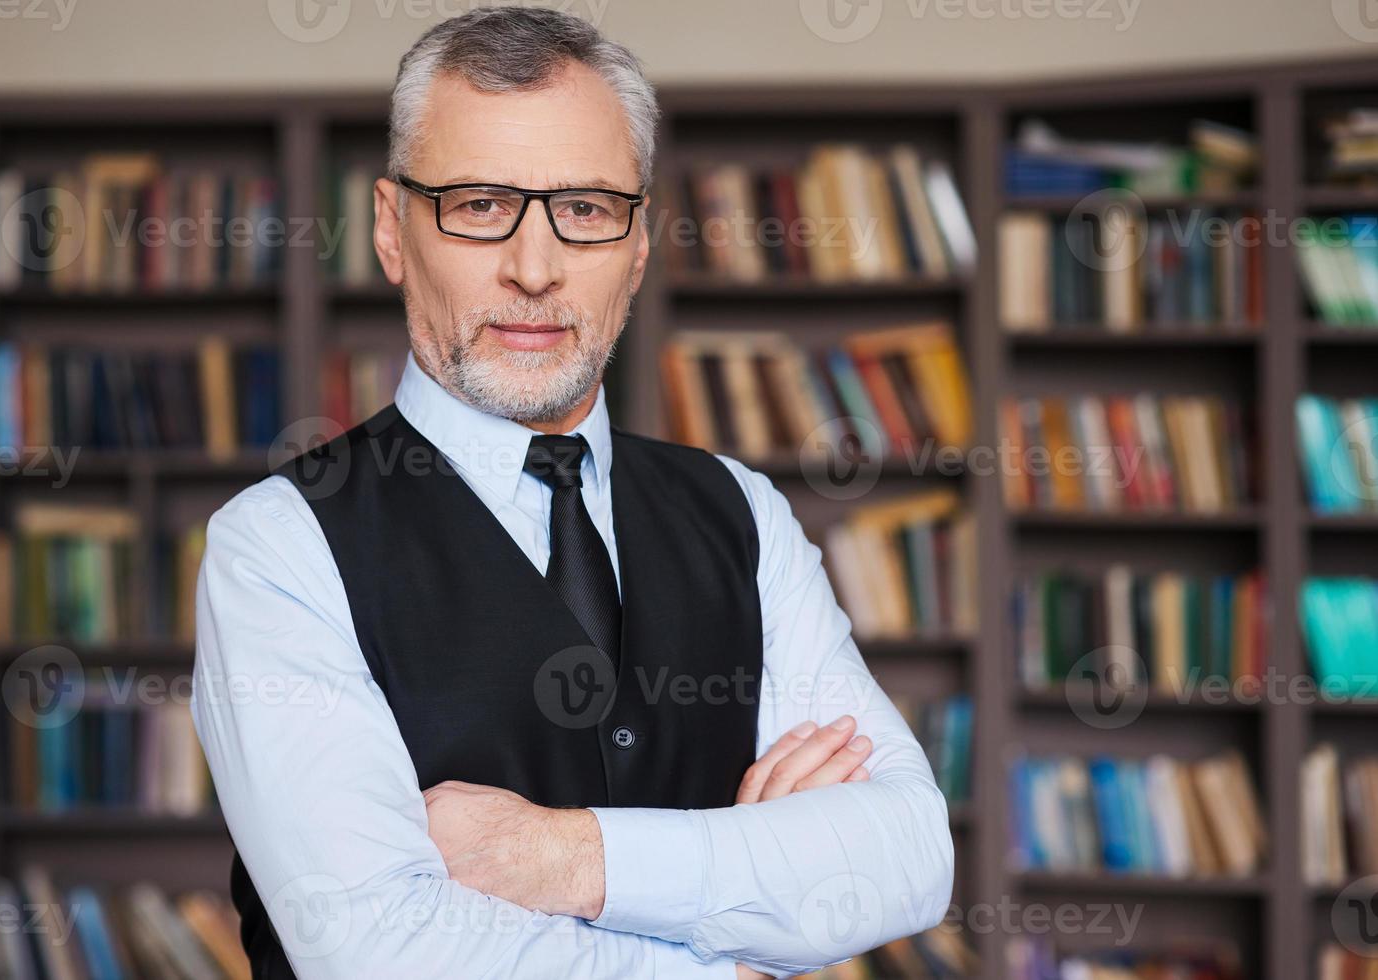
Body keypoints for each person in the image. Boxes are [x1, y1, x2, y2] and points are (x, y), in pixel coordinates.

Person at [190, 7, 953, 978]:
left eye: (585, 209)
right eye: (476, 204)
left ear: (637, 246)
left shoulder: (739, 513)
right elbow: (371, 945)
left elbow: (905, 854)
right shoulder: (279, 544)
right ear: (391, 230)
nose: (535, 267)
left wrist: (561, 855)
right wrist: (739, 930)